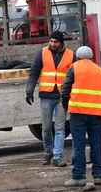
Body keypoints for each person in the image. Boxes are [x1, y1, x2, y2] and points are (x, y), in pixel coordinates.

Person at [60, 46, 101, 187]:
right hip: (96, 114)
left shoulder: (74, 68)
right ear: (91, 58)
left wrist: (66, 105)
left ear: (77, 57)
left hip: (78, 113)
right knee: (96, 145)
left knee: (79, 145)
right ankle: (99, 176)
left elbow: (64, 90)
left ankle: (78, 176)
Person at [25, 31, 76, 167]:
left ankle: (57, 156)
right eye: (51, 41)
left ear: (61, 43)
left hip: (61, 97)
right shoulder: (42, 53)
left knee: (59, 128)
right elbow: (34, 72)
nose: (52, 44)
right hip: (46, 96)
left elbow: (75, 75)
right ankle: (48, 152)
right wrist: (29, 91)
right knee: (46, 128)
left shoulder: (71, 55)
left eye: (55, 42)